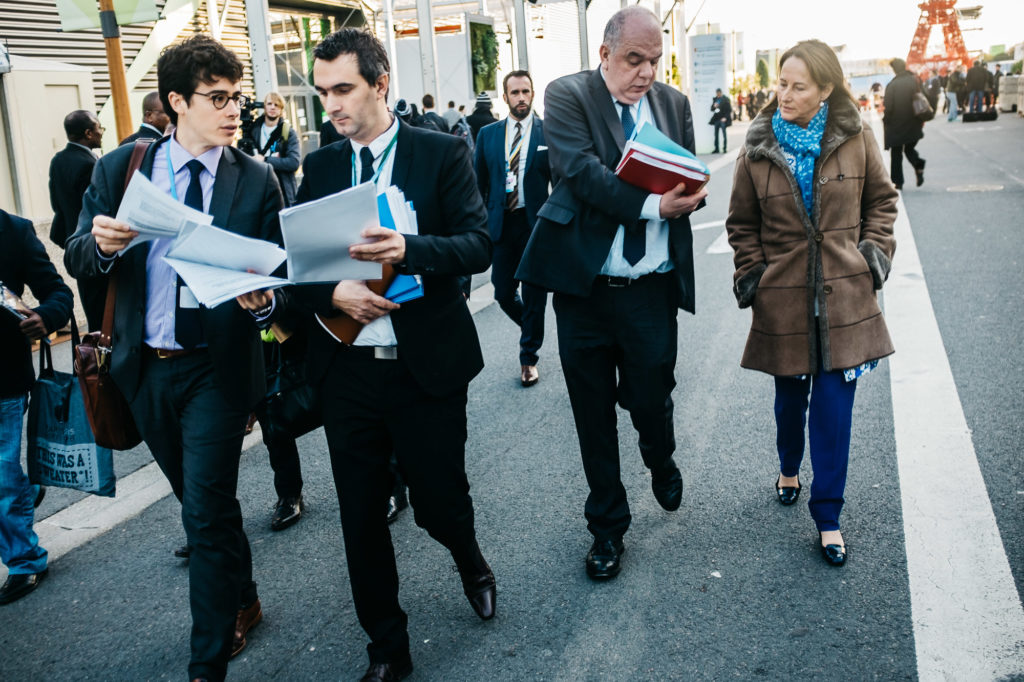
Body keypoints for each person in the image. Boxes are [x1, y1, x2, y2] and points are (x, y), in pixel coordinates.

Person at [64, 35, 284, 682]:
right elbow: (78, 252)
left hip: (216, 372)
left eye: (237, 97)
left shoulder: (256, 178)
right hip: (143, 367)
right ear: (176, 103)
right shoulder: (122, 169)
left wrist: (265, 304)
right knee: (200, 501)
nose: (233, 110)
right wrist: (100, 245)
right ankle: (242, 594)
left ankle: (206, 660)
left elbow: (280, 278)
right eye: (218, 98)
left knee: (206, 506)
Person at [295, 28, 495, 681]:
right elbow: (299, 269)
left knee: (439, 502)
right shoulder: (321, 166)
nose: (332, 105)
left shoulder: (439, 152)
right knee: (360, 515)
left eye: (343, 89)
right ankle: (387, 647)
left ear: (381, 84)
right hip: (347, 368)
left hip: (425, 364)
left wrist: (410, 251)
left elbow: (476, 246)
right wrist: (336, 292)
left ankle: (469, 558)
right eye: (323, 93)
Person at [517, 7, 706, 581]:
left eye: (655, 60)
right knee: (592, 414)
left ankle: (660, 453)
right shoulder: (568, 96)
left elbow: (688, 174)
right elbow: (579, 173)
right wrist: (653, 205)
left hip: (649, 290)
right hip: (585, 292)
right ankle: (607, 527)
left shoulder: (673, 103)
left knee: (652, 396)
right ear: (605, 53)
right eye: (634, 59)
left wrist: (691, 197)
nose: (646, 72)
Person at [725, 39, 898, 567]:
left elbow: (881, 202)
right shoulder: (756, 149)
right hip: (783, 299)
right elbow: (741, 224)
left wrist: (872, 257)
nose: (786, 95)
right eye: (782, 83)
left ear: (826, 89)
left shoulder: (856, 136)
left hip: (846, 298)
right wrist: (754, 275)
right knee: (789, 404)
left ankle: (828, 517)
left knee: (833, 410)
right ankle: (787, 466)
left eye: (799, 87)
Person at [0, 209, 73, 605]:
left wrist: (44, 317)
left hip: (3, 381)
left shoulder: (13, 231)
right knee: (6, 478)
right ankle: (25, 489)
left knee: (0, 474)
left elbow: (59, 293)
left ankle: (25, 561)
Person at [474, 70, 551, 387]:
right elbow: (478, 183)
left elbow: (560, 181)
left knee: (534, 294)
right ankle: (531, 328)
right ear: (504, 97)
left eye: (526, 91)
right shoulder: (488, 135)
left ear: (533, 94)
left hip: (535, 224)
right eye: (515, 92)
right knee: (503, 292)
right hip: (502, 223)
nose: (521, 97)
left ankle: (528, 358)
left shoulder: (549, 133)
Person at [48, 110, 106, 330]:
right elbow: (97, 209)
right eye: (100, 128)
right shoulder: (90, 164)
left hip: (74, 245)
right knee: (102, 310)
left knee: (91, 305)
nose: (101, 133)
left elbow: (56, 204)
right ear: (89, 133)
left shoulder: (58, 160)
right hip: (94, 244)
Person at [244, 92, 301, 206]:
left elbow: (293, 162)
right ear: (264, 106)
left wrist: (265, 160)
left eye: (277, 105)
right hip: (258, 189)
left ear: (281, 109)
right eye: (269, 103)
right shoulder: (252, 131)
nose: (272, 107)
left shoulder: (287, 132)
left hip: (282, 189)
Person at [883, 58, 926, 191]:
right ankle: (918, 164)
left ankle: (898, 182)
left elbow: (888, 107)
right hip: (914, 121)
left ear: (895, 70)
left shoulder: (892, 85)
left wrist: (886, 120)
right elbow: (924, 98)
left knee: (896, 153)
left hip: (897, 124)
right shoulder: (915, 80)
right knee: (909, 148)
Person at [710, 88, 732, 153]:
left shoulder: (725, 99)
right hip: (717, 119)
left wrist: (725, 117)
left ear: (721, 93)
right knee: (716, 135)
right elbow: (712, 109)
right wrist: (714, 106)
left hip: (722, 119)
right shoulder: (715, 99)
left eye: (719, 93)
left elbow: (729, 110)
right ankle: (716, 149)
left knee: (724, 134)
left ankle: (724, 148)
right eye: (717, 93)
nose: (718, 94)